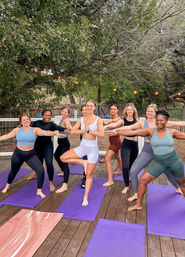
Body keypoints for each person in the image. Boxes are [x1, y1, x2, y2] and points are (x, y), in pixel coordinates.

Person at [110, 109, 185, 211]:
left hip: (174, 160)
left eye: (161, 120)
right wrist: (117, 131)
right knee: (143, 180)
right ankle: (138, 204)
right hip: (159, 162)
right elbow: (134, 132)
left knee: (182, 184)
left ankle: (179, 188)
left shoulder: (173, 132)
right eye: (157, 120)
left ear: (166, 121)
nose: (158, 122)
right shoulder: (150, 131)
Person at [1, 113, 62, 198]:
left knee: (40, 170)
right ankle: (7, 186)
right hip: (18, 154)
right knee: (14, 171)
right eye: (24, 120)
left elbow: (45, 132)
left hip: (30, 155)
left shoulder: (35, 130)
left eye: (27, 119)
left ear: (29, 120)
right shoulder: (17, 130)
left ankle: (39, 191)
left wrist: (55, 133)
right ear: (21, 122)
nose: (26, 121)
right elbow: (7, 136)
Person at [58, 100, 104, 206]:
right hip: (82, 147)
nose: (88, 108)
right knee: (63, 158)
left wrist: (90, 131)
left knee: (89, 174)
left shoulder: (98, 120)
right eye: (87, 106)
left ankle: (85, 197)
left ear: (94, 107)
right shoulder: (81, 119)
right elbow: (72, 131)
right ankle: (83, 163)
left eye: (91, 106)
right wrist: (82, 131)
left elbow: (102, 134)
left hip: (92, 149)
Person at [27, 109, 66, 192]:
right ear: (42, 115)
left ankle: (51, 182)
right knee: (39, 163)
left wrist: (71, 129)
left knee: (49, 163)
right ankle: (36, 174)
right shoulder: (37, 123)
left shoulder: (52, 125)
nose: (48, 117)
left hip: (48, 146)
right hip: (38, 146)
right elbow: (27, 126)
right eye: (46, 115)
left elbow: (62, 128)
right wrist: (19, 127)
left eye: (49, 115)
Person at [102, 104, 122, 186]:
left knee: (107, 159)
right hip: (113, 141)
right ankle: (121, 170)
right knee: (117, 156)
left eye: (114, 109)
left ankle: (110, 180)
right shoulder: (113, 118)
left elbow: (111, 122)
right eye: (111, 109)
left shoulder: (118, 119)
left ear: (117, 110)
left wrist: (106, 124)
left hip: (116, 142)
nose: (112, 110)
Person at [54, 107, 72, 192]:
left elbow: (70, 129)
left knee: (64, 161)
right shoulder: (62, 119)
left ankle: (65, 184)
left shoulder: (66, 120)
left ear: (68, 114)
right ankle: (64, 171)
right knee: (56, 155)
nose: (64, 113)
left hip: (64, 143)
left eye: (66, 112)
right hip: (61, 142)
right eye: (63, 111)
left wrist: (69, 131)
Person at [80, 104, 88, 188]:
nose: (85, 111)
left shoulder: (93, 119)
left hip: (90, 143)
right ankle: (85, 177)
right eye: (83, 110)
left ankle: (86, 178)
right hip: (83, 142)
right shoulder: (80, 120)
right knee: (85, 161)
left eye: (86, 109)